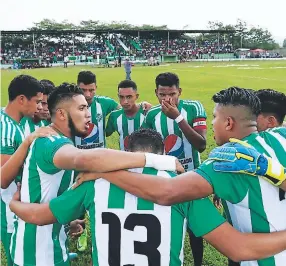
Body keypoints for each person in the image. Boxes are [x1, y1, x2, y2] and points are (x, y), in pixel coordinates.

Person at [9, 128, 286, 266]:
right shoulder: (182, 189)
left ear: (126, 150)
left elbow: (39, 216)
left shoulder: (92, 184)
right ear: (162, 156)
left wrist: (13, 202)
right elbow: (239, 248)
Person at [76, 87, 286, 266]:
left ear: (229, 123)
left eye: (215, 117)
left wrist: (105, 172)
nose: (212, 123)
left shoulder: (226, 161)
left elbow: (166, 192)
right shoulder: (281, 135)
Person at [7, 83, 181, 266]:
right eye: (81, 108)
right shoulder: (50, 143)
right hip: (37, 255)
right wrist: (157, 160)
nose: (88, 114)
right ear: (61, 114)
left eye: (87, 107)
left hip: (50, 243)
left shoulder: (58, 141)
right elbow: (84, 160)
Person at [142, 72, 206, 265]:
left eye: (172, 94)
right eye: (162, 95)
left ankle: (198, 263)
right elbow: (149, 149)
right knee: (165, 222)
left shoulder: (194, 108)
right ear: (156, 93)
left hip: (193, 175)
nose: (168, 99)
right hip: (164, 179)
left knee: (195, 227)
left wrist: (178, 118)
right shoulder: (152, 115)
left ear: (180, 91)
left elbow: (201, 144)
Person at [1, 75, 44, 266]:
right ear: (21, 100)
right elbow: (3, 178)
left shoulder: (16, 123)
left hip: (16, 206)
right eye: (36, 101)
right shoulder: (6, 129)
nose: (39, 107)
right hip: (8, 207)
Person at [106, 80, 146, 150]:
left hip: (144, 158)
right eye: (121, 97)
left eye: (129, 97)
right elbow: (106, 133)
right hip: (123, 159)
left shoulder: (147, 113)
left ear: (136, 96)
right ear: (118, 96)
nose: (125, 101)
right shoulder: (114, 116)